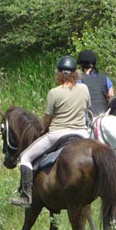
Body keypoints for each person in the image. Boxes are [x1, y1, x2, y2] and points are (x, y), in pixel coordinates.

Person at [9, 55, 90, 208]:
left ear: (59, 74)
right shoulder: (84, 89)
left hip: (58, 134)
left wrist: (43, 130)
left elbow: (47, 120)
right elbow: (86, 108)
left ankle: (26, 196)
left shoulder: (54, 93)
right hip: (82, 133)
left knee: (25, 157)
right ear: (75, 73)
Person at [76, 49, 114, 117]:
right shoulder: (105, 77)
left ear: (82, 65)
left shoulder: (79, 80)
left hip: (89, 117)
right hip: (104, 115)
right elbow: (111, 95)